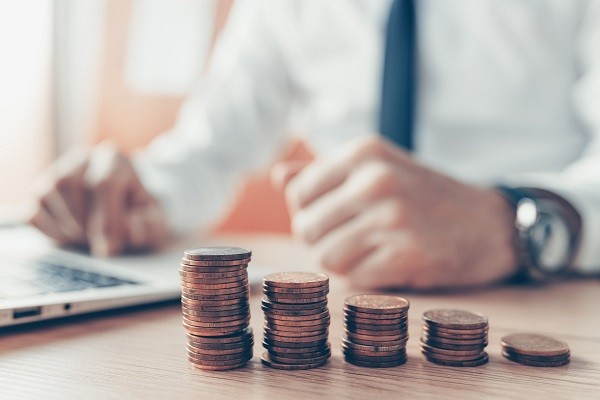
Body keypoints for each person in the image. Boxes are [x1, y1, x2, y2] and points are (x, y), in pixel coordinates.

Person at [28, 0, 600, 290]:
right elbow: (210, 149)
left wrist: (517, 223)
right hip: (351, 305)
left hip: (550, 293)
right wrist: (142, 194)